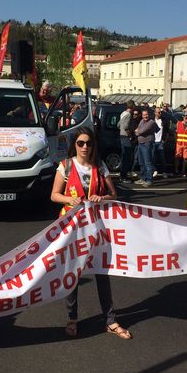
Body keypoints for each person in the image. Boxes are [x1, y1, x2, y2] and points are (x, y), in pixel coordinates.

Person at [50, 127, 132, 340]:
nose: (85, 147)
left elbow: (114, 195)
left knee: (102, 273)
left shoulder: (100, 166)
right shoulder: (66, 166)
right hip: (72, 228)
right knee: (73, 274)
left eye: (88, 143)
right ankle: (72, 318)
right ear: (74, 145)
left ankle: (111, 320)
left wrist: (102, 198)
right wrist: (70, 199)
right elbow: (54, 195)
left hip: (97, 228)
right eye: (80, 143)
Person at [134, 109, 159, 187]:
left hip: (147, 144)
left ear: (149, 114)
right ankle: (143, 178)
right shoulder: (141, 121)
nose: (145, 116)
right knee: (141, 162)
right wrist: (138, 131)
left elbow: (141, 131)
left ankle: (149, 180)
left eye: (146, 114)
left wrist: (138, 131)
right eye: (144, 115)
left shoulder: (151, 122)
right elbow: (138, 130)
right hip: (140, 144)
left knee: (147, 163)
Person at [117, 100, 134, 183]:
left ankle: (122, 175)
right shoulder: (128, 115)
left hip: (121, 136)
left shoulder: (122, 113)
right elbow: (126, 126)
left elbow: (118, 125)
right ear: (132, 107)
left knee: (124, 156)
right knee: (126, 157)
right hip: (126, 136)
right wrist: (130, 135)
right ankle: (124, 177)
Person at [175, 113, 187, 177]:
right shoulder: (178, 123)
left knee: (185, 159)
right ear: (183, 117)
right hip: (179, 144)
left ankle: (183, 171)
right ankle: (176, 171)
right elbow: (175, 132)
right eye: (186, 118)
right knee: (177, 157)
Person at [153, 106, 169, 178]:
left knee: (162, 158)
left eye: (160, 112)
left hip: (160, 142)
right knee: (153, 157)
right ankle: (154, 170)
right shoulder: (152, 120)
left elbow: (167, 131)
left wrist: (164, 140)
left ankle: (164, 172)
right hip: (153, 141)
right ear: (155, 113)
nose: (160, 113)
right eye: (158, 112)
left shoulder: (164, 120)